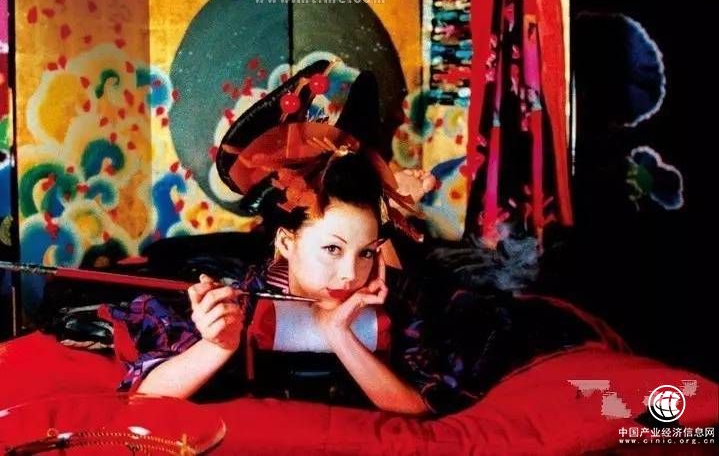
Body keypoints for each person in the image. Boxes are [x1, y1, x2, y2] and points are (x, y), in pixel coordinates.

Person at [105, 59, 613, 416]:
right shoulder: (244, 300)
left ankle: (368, 193)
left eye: (363, 253)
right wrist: (217, 345)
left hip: (399, 267)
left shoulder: (391, 296)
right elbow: (149, 395)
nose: (349, 274)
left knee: (439, 278)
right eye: (332, 251)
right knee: (178, 258)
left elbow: (418, 406)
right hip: (284, 254)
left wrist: (340, 335)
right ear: (285, 244)